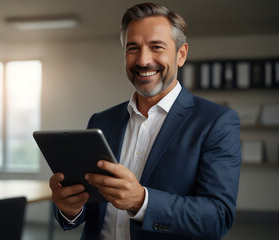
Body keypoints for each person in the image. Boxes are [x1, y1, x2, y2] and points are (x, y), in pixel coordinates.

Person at [49, 2, 241, 240]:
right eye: (132, 48)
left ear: (181, 55)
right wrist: (70, 209)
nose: (142, 60)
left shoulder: (216, 122)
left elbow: (218, 217)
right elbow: (87, 209)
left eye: (156, 47)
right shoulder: (101, 121)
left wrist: (141, 201)